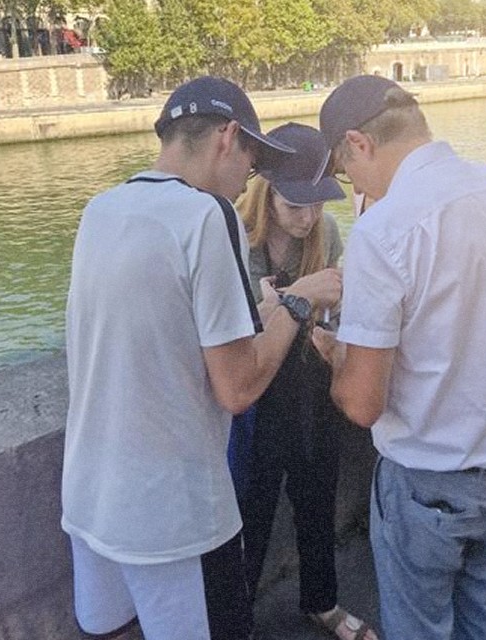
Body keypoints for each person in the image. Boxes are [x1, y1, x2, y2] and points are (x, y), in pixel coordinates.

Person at [61, 76, 342, 640]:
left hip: (90, 500)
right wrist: (297, 298)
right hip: (174, 517)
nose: (251, 178)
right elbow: (238, 388)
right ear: (227, 136)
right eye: (254, 160)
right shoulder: (209, 216)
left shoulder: (101, 209)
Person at [311, 75, 486, 640]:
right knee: (484, 611)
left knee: (420, 626)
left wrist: (334, 354)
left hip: (427, 479)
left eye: (345, 173)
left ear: (358, 144)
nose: (353, 189)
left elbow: (362, 403)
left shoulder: (383, 230)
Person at [235, 122, 379, 640]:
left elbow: (333, 308)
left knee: (316, 496)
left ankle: (321, 601)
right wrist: (299, 294)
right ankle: (237, 616)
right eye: (296, 206)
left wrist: (325, 318)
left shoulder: (327, 233)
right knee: (250, 510)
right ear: (265, 194)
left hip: (309, 381)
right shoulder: (234, 236)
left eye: (317, 203)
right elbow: (229, 327)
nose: (309, 217)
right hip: (255, 390)